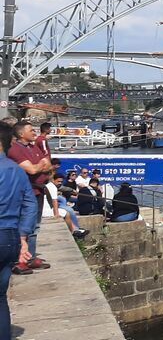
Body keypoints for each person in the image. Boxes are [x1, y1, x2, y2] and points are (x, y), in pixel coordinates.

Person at [6, 120, 53, 274]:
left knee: (34, 227)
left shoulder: (33, 147)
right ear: (21, 134)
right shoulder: (15, 150)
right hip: (26, 193)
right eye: (31, 130)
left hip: (38, 192)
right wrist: (40, 165)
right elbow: (33, 170)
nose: (34, 132)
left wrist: (40, 165)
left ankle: (30, 257)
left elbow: (48, 165)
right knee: (23, 227)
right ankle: (19, 260)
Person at [0, 142, 37, 330]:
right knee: (1, 299)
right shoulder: (16, 170)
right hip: (10, 238)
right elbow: (30, 204)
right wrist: (23, 236)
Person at [42, 173, 88, 239]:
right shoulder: (53, 187)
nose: (60, 183)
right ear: (53, 180)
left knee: (65, 205)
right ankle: (73, 232)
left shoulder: (51, 186)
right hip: (46, 210)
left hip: (47, 207)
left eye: (61, 182)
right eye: (58, 181)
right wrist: (56, 214)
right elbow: (54, 201)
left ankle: (75, 229)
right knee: (67, 212)